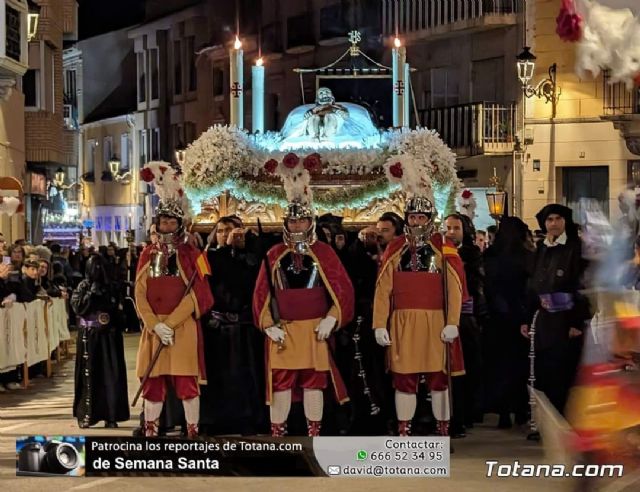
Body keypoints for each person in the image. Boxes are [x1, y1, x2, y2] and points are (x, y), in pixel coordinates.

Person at [253, 198, 354, 437]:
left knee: (314, 381)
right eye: (292, 221)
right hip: (283, 330)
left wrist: (332, 318)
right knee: (281, 383)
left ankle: (314, 434)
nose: (296, 225)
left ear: (311, 222)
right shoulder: (274, 254)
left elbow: (343, 290)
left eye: (301, 221)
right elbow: (260, 294)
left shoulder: (324, 253)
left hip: (314, 330)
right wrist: (267, 324)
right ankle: (278, 435)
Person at [373, 195, 465, 436]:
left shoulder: (444, 246)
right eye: (412, 217)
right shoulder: (395, 247)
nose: (416, 221)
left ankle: (443, 430)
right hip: (402, 322)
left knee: (439, 379)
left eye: (421, 217)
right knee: (403, 379)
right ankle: (404, 431)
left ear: (429, 218)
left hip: (435, 322)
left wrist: (453, 322)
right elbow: (383, 290)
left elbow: (454, 288)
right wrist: (379, 324)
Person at [134, 198, 214, 438]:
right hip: (154, 330)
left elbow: (200, 295)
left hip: (182, 328)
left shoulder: (194, 254)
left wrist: (169, 324)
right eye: (163, 222)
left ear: (179, 224)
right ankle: (151, 430)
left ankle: (192, 431)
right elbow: (139, 292)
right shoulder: (147, 253)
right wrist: (154, 324)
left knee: (186, 382)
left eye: (171, 222)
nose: (167, 226)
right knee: (153, 382)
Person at [521, 204, 591, 423]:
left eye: (558, 219)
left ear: (565, 221)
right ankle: (547, 423)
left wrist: (577, 322)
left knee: (565, 371)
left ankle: (565, 421)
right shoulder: (540, 249)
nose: (553, 223)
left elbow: (583, 287)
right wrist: (527, 319)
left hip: (567, 320)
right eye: (549, 219)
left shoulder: (576, 249)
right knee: (543, 370)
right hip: (544, 320)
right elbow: (531, 287)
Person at [200, 216, 267, 436]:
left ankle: (249, 420)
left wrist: (244, 248)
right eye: (220, 230)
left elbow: (252, 283)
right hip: (217, 327)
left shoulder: (252, 257)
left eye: (231, 230)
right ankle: (215, 420)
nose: (225, 234)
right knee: (217, 376)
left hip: (245, 326)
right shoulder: (209, 256)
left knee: (247, 376)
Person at [483, 217, 533, 429]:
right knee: (520, 365)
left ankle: (503, 412)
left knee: (499, 366)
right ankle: (521, 410)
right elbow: (529, 288)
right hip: (520, 318)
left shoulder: (490, 256)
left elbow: (488, 288)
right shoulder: (527, 257)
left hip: (497, 318)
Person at [71, 254, 129, 428]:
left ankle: (111, 415)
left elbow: (121, 312)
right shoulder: (83, 286)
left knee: (111, 375)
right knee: (89, 374)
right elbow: (78, 308)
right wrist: (90, 295)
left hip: (109, 336)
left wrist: (112, 317)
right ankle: (87, 413)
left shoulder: (112, 287)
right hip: (89, 335)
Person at [444, 213, 486, 437]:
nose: (451, 232)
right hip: (444, 320)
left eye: (456, 228)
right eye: (448, 228)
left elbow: (478, 287)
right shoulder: (439, 253)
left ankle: (465, 414)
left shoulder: (472, 254)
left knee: (466, 368)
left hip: (466, 318)